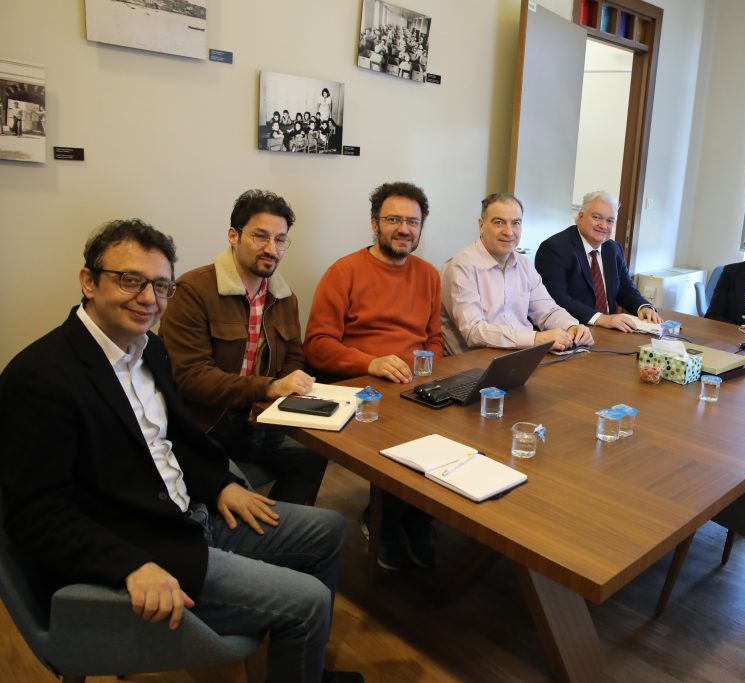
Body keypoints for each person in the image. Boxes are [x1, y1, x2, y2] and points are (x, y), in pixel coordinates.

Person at [0, 219, 361, 683]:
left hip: (190, 512)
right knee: (306, 602)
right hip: (143, 542)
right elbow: (37, 515)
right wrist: (130, 565)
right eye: (129, 280)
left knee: (328, 529)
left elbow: (173, 443)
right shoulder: (39, 378)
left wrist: (221, 485)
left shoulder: (148, 348)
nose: (148, 298)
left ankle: (299, 667)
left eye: (160, 286)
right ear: (89, 282)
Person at [305, 182, 442, 570]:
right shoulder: (344, 271)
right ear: (374, 224)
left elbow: (434, 338)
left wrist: (425, 371)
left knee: (467, 427)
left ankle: (418, 515)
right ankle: (384, 520)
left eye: (413, 222)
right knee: (403, 436)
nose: (404, 229)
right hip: (364, 387)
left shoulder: (429, 275)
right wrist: (371, 363)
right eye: (394, 219)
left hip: (414, 384)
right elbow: (316, 344)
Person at [160, 190, 328, 506]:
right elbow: (190, 377)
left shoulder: (284, 296)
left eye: (280, 240)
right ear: (233, 236)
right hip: (204, 424)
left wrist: (278, 394)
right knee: (242, 497)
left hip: (258, 417)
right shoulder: (192, 291)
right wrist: (266, 388)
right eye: (260, 236)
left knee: (312, 455)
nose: (271, 249)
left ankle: (287, 530)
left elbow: (293, 357)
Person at [441, 192, 594, 354]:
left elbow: (547, 311)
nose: (509, 232)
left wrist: (572, 326)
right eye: (499, 222)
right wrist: (535, 339)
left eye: (516, 223)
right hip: (475, 361)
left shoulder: (524, 264)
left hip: (520, 355)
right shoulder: (461, 267)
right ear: (481, 225)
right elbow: (473, 332)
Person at [535, 190, 663, 332]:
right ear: (581, 216)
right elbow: (556, 299)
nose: (603, 225)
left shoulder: (613, 249)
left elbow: (625, 288)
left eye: (610, 221)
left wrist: (643, 306)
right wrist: (600, 318)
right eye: (597, 217)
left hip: (609, 330)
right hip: (572, 330)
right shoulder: (554, 248)